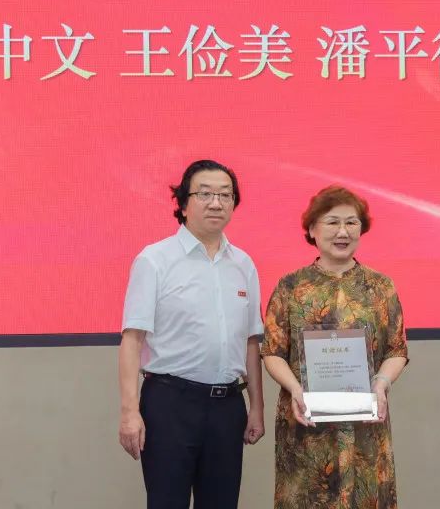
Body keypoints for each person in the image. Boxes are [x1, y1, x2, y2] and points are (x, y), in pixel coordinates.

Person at [119, 159, 265, 509]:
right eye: (205, 194)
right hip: (170, 403)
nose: (216, 203)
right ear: (183, 204)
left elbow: (250, 341)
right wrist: (129, 411)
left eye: (225, 195)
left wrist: (257, 407)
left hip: (227, 406)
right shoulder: (155, 260)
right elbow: (132, 340)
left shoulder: (243, 264)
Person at [262, 186, 408, 509]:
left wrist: (381, 383)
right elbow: (272, 351)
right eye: (332, 222)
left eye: (351, 223)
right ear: (312, 229)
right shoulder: (290, 287)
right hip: (306, 427)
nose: (343, 232)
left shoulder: (380, 287)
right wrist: (295, 389)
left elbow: (396, 349)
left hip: (365, 426)